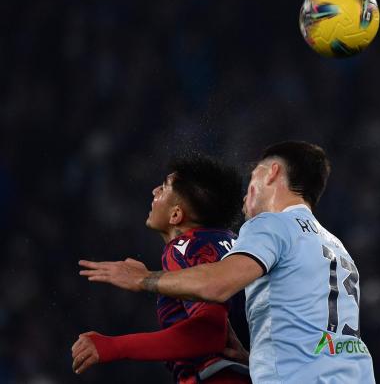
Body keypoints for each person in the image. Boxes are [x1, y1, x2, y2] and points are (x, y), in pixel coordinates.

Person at [80, 141, 376, 383]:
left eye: (254, 175)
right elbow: (316, 336)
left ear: (271, 173)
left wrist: (142, 280)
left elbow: (214, 291)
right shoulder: (336, 248)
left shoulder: (269, 227)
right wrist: (254, 359)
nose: (248, 187)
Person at [72, 154, 252, 384]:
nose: (154, 191)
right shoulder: (238, 245)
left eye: (164, 187)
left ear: (176, 214)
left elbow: (209, 332)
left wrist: (112, 346)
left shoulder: (184, 246)